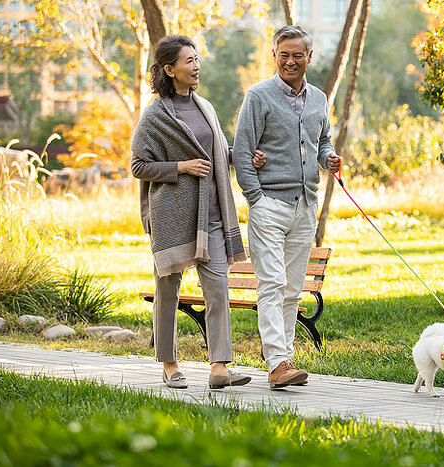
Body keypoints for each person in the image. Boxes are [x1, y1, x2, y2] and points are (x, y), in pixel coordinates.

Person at [131, 35, 265, 389]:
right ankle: (169, 362)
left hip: (213, 216)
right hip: (173, 218)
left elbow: (217, 152)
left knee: (218, 288)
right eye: (189, 61)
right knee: (168, 291)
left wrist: (244, 156)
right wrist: (181, 167)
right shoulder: (156, 114)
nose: (196, 66)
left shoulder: (205, 106)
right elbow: (138, 165)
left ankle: (219, 367)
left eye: (196, 59)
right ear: (169, 69)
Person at [233, 25, 341, 389]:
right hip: (269, 205)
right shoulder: (258, 96)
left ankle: (285, 360)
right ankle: (276, 362)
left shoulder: (319, 99)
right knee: (272, 284)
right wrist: (256, 198)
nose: (290, 61)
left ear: (309, 57)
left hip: (305, 205)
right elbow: (242, 151)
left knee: (293, 289)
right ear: (275, 56)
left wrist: (328, 157)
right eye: (284, 55)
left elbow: (322, 139)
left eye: (298, 55)